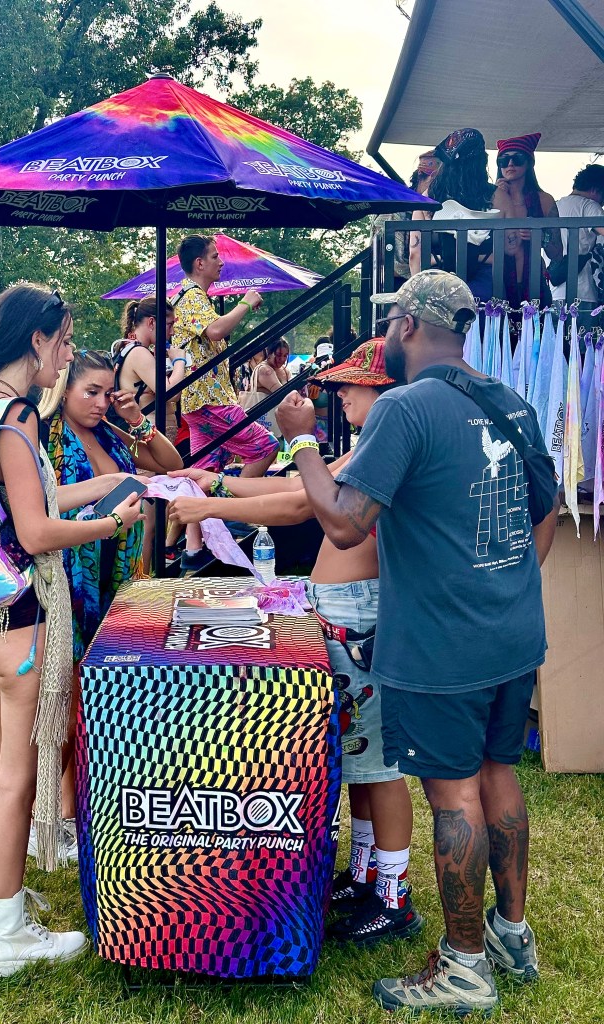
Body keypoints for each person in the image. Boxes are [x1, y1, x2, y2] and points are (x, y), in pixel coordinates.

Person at [275, 270, 559, 1015]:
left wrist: (303, 443)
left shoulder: (404, 408)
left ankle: (464, 965)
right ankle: (510, 934)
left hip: (442, 642)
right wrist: (505, 578)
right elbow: (548, 510)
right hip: (512, 630)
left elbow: (341, 520)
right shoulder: (512, 401)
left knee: (454, 795)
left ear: (405, 325)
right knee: (499, 772)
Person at [168, 338, 421, 949]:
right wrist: (216, 482)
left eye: (352, 386)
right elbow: (295, 495)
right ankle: (367, 874)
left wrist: (218, 493)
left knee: (379, 766)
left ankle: (394, 893)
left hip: (360, 618)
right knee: (357, 759)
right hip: (342, 613)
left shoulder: (385, 450)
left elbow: (294, 508)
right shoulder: (370, 450)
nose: (341, 395)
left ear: (382, 391)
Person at [0, 284, 145, 979]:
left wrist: (108, 485)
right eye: (63, 341)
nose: (66, 355)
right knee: (19, 778)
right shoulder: (22, 414)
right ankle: (7, 930)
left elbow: (30, 500)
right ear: (36, 340)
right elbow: (35, 531)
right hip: (25, 618)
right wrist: (114, 523)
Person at [38, 349, 181, 854]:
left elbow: (171, 464)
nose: (101, 402)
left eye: (107, 392)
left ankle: (80, 809)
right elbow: (39, 514)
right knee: (70, 698)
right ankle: (53, 814)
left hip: (120, 581)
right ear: (64, 391)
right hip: (75, 583)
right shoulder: (46, 440)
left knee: (101, 697)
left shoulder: (108, 435)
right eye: (90, 392)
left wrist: (136, 419)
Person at [172, 233, 279, 567]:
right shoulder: (190, 295)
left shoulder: (197, 296)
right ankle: (234, 508)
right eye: (215, 256)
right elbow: (216, 331)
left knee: (203, 470)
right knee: (266, 446)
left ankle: (192, 549)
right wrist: (246, 302)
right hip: (209, 399)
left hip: (202, 400)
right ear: (199, 263)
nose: (221, 261)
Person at [410, 129, 504, 302]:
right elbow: (510, 247)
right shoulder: (498, 196)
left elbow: (415, 253)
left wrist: (418, 295)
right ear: (482, 161)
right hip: (486, 287)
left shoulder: (428, 198)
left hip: (438, 282)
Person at [492, 133, 562, 307]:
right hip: (497, 280)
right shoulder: (490, 197)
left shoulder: (544, 200)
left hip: (534, 282)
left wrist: (538, 236)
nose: (510, 164)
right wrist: (496, 195)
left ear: (529, 162)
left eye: (517, 158)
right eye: (503, 160)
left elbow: (557, 253)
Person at [111, 296, 185, 442]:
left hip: (152, 436)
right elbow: (171, 393)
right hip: (149, 438)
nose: (172, 332)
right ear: (151, 322)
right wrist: (179, 361)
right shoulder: (138, 353)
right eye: (169, 325)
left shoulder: (136, 350)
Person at [373, 150, 441, 289]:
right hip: (398, 284)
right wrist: (437, 259)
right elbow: (393, 264)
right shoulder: (397, 209)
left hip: (428, 280)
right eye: (436, 182)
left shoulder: (432, 207)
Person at [550, 163, 604, 315]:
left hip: (554, 292)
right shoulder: (589, 205)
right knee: (582, 338)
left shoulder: (554, 206)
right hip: (582, 293)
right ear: (595, 189)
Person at [240, 337, 292, 441]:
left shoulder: (284, 370)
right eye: (278, 355)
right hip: (263, 427)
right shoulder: (265, 370)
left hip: (276, 422)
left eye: (285, 355)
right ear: (269, 353)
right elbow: (282, 393)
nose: (281, 359)